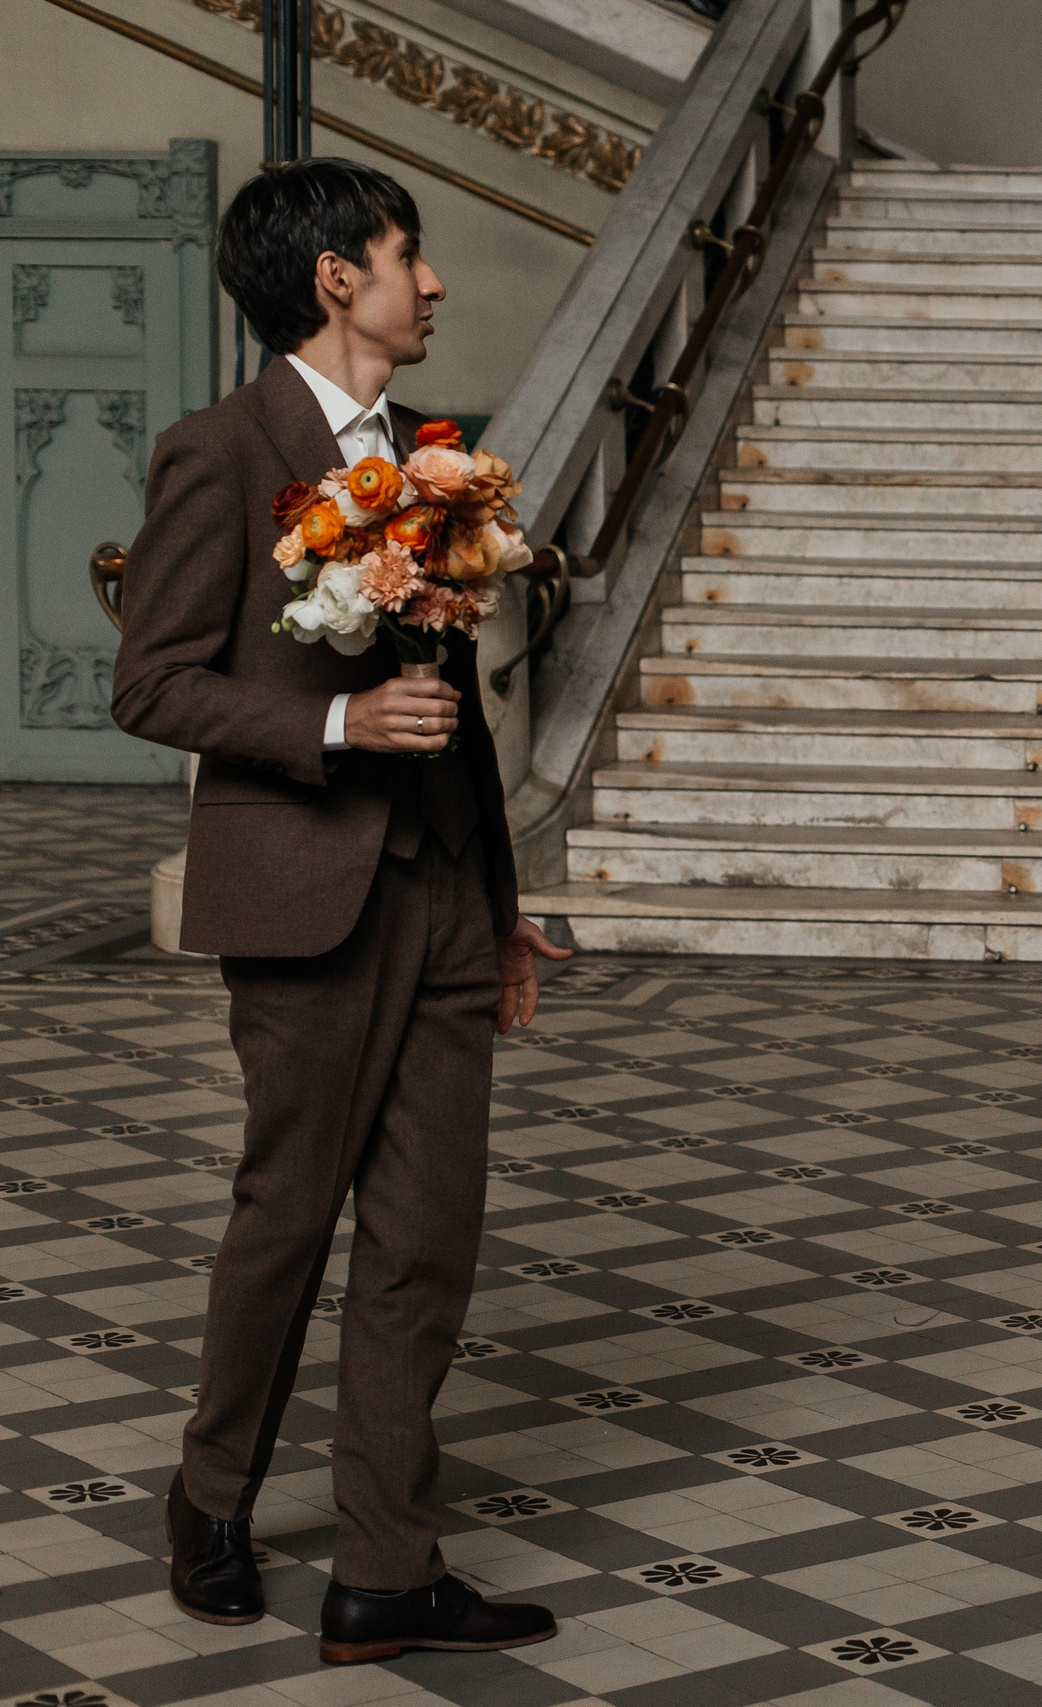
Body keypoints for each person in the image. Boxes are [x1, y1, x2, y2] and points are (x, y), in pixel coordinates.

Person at [111, 158, 571, 1663]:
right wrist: (328, 735)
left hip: (440, 891)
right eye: (407, 256)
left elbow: (455, 709)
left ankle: (385, 1564)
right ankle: (211, 1494)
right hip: (304, 888)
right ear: (334, 279)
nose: (430, 282)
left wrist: (500, 905)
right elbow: (154, 681)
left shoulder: (438, 457)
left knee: (431, 1236)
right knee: (289, 1215)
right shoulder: (221, 450)